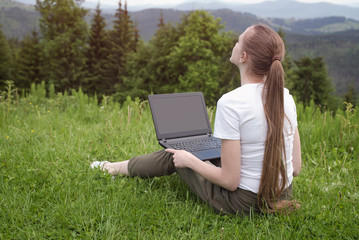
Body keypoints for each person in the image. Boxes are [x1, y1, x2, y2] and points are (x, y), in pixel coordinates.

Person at [91, 23, 302, 215]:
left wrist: (189, 160)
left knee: (176, 154)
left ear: (243, 56)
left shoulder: (232, 102)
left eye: (238, 41)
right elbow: (295, 167)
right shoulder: (286, 97)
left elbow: (230, 181)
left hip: (244, 203)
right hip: (282, 194)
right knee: (200, 152)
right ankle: (115, 167)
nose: (234, 44)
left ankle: (110, 168)